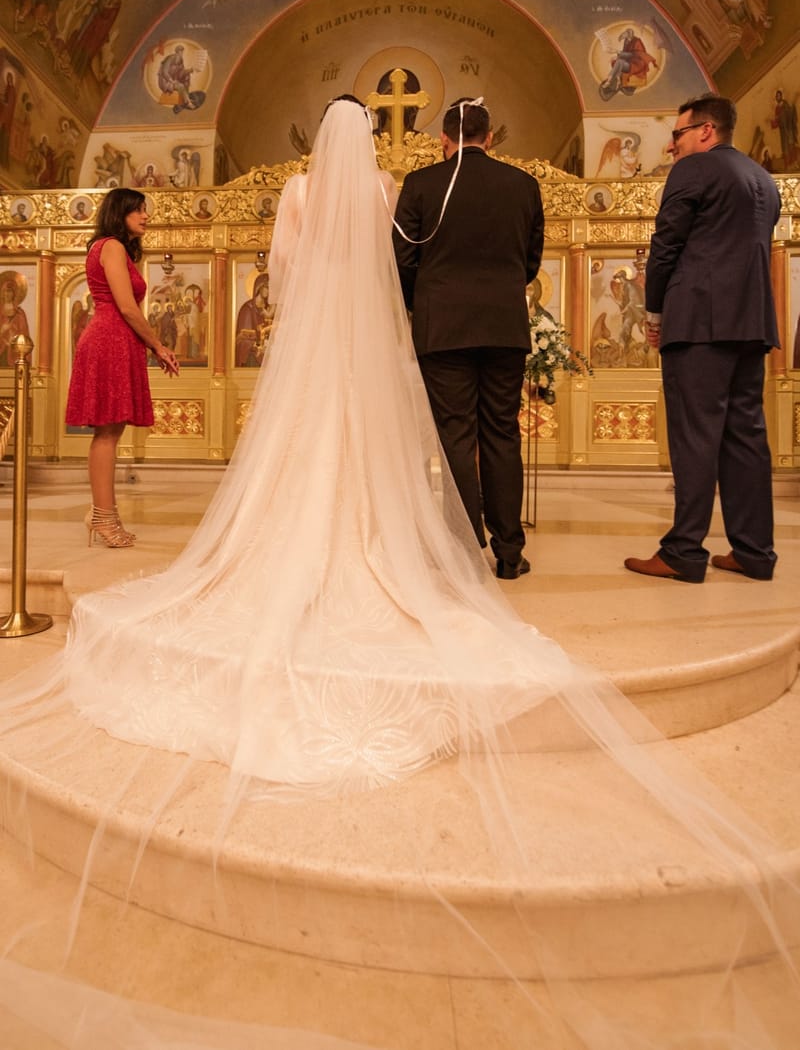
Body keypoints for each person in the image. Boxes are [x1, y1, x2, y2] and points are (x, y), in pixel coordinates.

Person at [0, 98, 798, 1050]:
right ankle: (539, 543)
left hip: (334, 346)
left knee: (358, 447)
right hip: (425, 339)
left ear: (317, 141)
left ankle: (406, 536)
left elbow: (288, 270)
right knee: (459, 447)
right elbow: (407, 265)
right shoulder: (399, 186)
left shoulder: (317, 193)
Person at [624, 94, 781, 584]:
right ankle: (754, 552)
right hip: (751, 323)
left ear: (706, 131)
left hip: (699, 323)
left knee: (695, 436)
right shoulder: (763, 180)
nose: (672, 146)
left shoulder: (693, 170)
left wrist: (654, 311)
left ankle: (683, 552)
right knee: (746, 436)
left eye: (678, 134)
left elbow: (666, 244)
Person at [392, 97, 543, 579]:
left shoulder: (420, 184)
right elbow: (531, 260)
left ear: (444, 139)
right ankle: (509, 551)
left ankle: (461, 548)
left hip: (442, 329)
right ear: (489, 137)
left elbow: (402, 260)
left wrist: (425, 302)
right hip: (504, 327)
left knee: (455, 434)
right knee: (502, 431)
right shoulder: (523, 185)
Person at [65, 188, 180, 548]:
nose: (146, 216)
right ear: (120, 213)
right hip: (109, 339)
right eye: (138, 210)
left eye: (145, 210)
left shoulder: (113, 248)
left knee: (110, 432)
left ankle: (102, 513)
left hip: (117, 340)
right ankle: (103, 517)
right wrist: (158, 345)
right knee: (107, 434)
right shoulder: (111, 246)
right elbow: (128, 308)